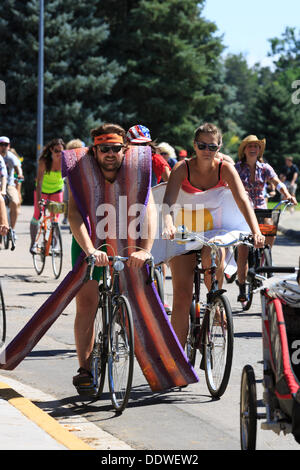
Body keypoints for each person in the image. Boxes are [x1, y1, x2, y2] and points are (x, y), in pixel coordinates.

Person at [68, 123, 156, 389]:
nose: (110, 154)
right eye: (103, 149)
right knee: (86, 304)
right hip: (90, 238)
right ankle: (85, 368)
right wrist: (90, 250)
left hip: (126, 233)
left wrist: (145, 249)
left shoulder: (138, 169)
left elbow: (149, 210)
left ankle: (122, 321)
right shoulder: (80, 170)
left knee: (133, 294)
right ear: (94, 150)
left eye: (115, 149)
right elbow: (73, 214)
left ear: (124, 149)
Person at [162, 123, 265, 347]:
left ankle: (215, 302)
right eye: (202, 145)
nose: (207, 151)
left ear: (219, 147)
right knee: (181, 295)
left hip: (214, 231)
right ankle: (177, 356)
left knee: (213, 251)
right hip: (184, 231)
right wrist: (168, 225)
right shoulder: (182, 167)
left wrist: (256, 231)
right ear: (194, 145)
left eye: (212, 146)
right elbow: (168, 202)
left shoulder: (225, 168)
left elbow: (242, 200)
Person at [235, 135, 297, 302]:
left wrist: (288, 195)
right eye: (250, 146)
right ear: (245, 150)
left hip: (261, 209)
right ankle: (242, 287)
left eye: (256, 146)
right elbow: (229, 184)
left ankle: (265, 256)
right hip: (244, 211)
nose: (253, 148)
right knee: (243, 251)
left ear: (259, 150)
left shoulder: (265, 168)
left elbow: (278, 183)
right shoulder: (237, 168)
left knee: (270, 231)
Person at [29, 138, 65, 254]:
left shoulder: (65, 161)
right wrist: (39, 200)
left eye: (61, 151)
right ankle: (33, 243)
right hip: (42, 191)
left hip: (57, 191)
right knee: (37, 214)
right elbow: (39, 182)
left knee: (55, 219)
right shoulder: (44, 162)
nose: (59, 154)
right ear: (51, 150)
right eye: (56, 151)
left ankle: (54, 245)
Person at [0, 136, 23, 237]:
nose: (3, 147)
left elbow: (18, 168)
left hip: (9, 184)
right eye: (1, 145)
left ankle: (12, 230)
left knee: (15, 201)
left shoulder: (11, 157)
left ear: (9, 146)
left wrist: (19, 174)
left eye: (5, 145)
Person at [62, 139, 85, 225]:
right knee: (67, 201)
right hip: (69, 183)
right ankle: (66, 217)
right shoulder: (68, 160)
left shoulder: (84, 161)